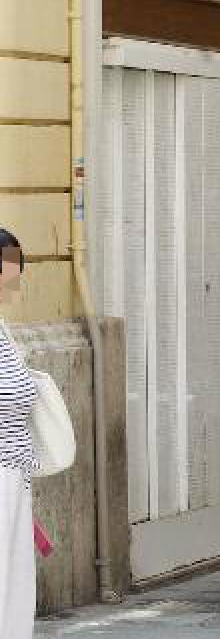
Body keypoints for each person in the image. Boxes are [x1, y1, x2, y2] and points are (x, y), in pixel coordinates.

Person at [0, 228, 36, 639]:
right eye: (11, 265)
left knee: (16, 589)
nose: (16, 274)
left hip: (14, 472)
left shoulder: (4, 329)